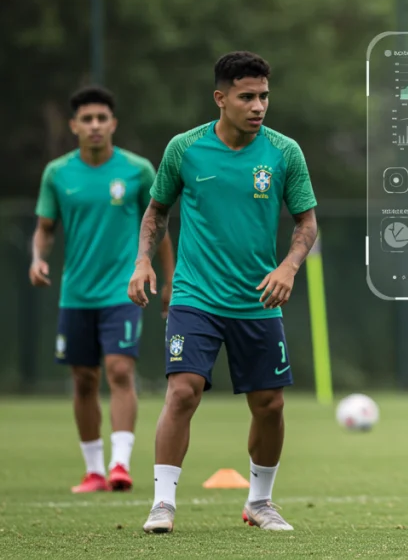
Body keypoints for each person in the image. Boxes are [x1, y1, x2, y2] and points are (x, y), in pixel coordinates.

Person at [128, 51, 318, 534]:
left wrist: (289, 267)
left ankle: (259, 502)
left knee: (270, 404)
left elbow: (306, 223)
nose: (258, 106)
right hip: (195, 298)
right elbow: (156, 212)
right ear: (220, 98)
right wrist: (142, 261)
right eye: (247, 97)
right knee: (183, 392)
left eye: (264, 97)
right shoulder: (184, 149)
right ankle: (163, 504)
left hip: (257, 300)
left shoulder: (283, 152)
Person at [32, 86, 176, 494]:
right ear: (74, 125)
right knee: (82, 378)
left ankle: (120, 465)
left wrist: (169, 279)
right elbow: (44, 231)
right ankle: (94, 470)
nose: (95, 125)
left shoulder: (137, 170)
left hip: (123, 290)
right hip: (76, 293)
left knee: (119, 369)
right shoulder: (58, 174)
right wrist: (37, 258)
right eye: (87, 119)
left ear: (113, 123)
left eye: (102, 118)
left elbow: (158, 227)